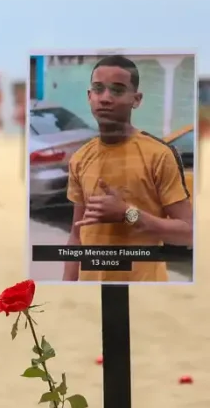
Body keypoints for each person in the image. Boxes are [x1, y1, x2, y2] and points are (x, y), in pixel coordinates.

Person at [62, 55, 193, 282]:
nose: (105, 98)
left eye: (117, 90)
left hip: (145, 292)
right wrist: (67, 289)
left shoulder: (159, 155)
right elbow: (77, 236)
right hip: (91, 290)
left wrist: (128, 214)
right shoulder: (80, 158)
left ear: (137, 99)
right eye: (98, 89)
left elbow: (188, 233)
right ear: (89, 96)